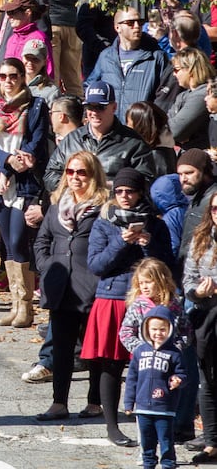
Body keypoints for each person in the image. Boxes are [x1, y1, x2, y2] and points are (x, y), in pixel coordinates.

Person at [86, 168, 175, 446]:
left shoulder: (155, 224)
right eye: (120, 192)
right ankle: (112, 426)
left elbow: (167, 266)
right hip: (112, 298)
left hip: (148, 300)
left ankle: (151, 421)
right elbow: (96, 265)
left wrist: (148, 246)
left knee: (152, 363)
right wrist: (119, 243)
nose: (125, 196)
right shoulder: (104, 222)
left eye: (131, 191)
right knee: (111, 364)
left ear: (140, 193)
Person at [35, 149, 109, 421]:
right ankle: (59, 403)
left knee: (94, 349)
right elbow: (42, 241)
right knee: (62, 348)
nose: (75, 177)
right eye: (71, 171)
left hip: (92, 285)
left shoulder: (104, 208)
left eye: (82, 172)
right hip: (61, 287)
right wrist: (46, 268)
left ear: (93, 176)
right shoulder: (56, 206)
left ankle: (94, 402)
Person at [0, 57, 50, 328]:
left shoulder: (35, 106)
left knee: (20, 241)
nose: (8, 81)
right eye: (4, 76)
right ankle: (15, 303)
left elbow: (36, 142)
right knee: (6, 242)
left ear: (22, 77)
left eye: (14, 76)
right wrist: (5, 163)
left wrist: (11, 170)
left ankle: (27, 306)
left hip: (24, 181)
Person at [123, 305, 185, 469]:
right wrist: (129, 403)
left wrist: (177, 379)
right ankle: (148, 464)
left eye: (163, 329)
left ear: (170, 329)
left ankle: (168, 463)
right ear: (146, 329)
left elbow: (182, 374)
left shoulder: (174, 353)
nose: (158, 333)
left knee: (166, 439)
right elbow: (132, 379)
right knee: (146, 440)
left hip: (165, 407)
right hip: (143, 407)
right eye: (154, 329)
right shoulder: (139, 352)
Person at [184, 191, 217, 464]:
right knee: (207, 379)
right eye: (215, 209)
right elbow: (188, 282)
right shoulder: (201, 239)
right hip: (206, 315)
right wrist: (198, 292)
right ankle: (212, 442)